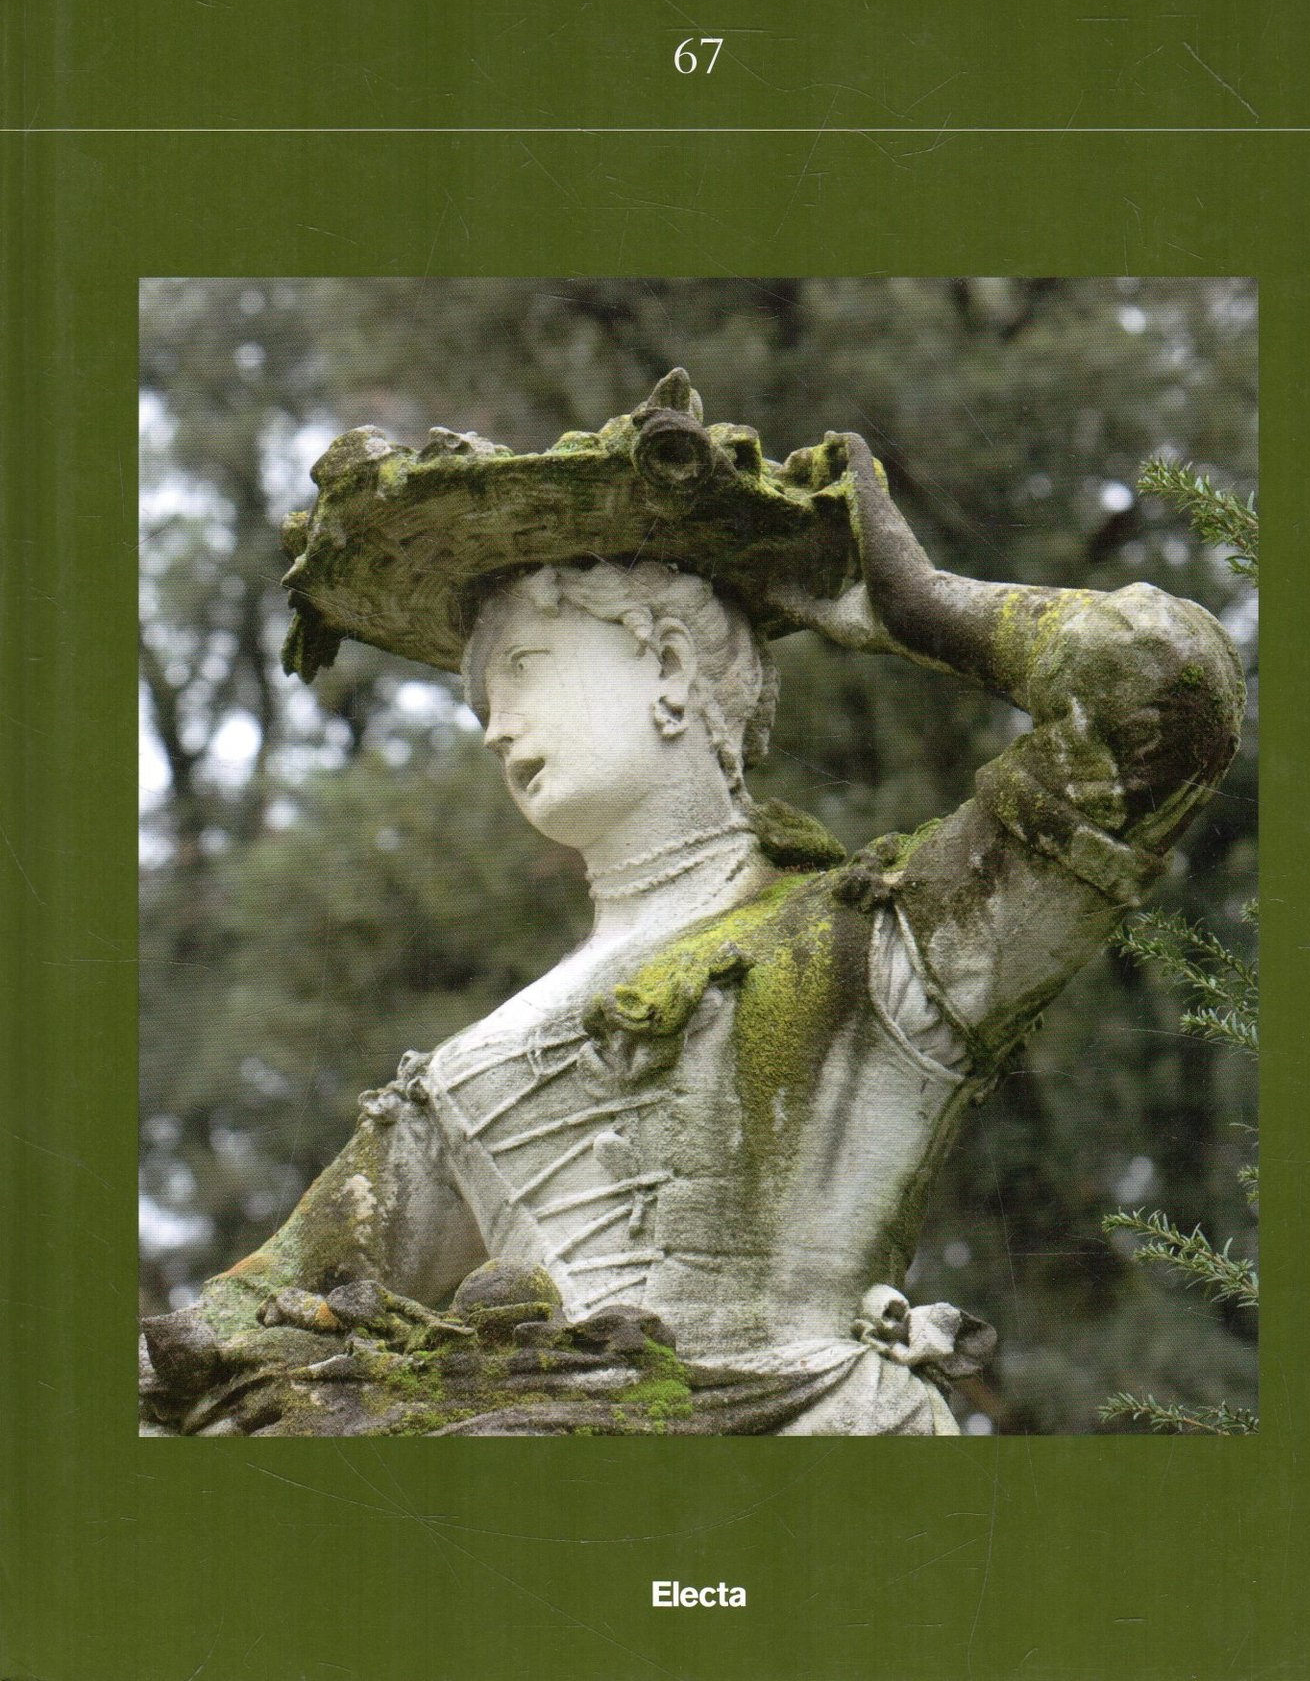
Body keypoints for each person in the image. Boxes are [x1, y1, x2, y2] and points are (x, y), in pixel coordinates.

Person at [141, 393, 1243, 1438]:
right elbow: (230, 1331)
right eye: (480, 699)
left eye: (524, 668)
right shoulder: (465, 1075)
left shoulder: (876, 946)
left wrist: (914, 607)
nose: (495, 727)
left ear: (669, 665)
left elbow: (1162, 690)